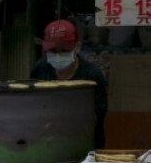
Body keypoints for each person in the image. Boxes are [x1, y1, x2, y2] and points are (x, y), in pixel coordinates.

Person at [31, 19, 107, 148]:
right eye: (53, 51)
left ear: (77, 47)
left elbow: (97, 116)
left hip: (83, 143)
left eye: (63, 51)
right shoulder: (40, 70)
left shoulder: (91, 76)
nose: (58, 56)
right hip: (46, 143)